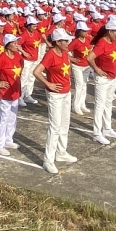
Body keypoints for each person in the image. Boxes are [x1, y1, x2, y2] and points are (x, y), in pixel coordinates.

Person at [33, 28, 78, 174]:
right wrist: (48, 84)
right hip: (55, 95)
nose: (67, 42)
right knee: (55, 126)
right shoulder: (50, 54)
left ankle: (61, 152)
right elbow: (36, 71)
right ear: (57, 42)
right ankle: (48, 160)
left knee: (65, 124)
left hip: (66, 93)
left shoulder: (65, 52)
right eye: (65, 40)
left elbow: (67, 66)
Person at [86, 16, 116, 145]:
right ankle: (97, 133)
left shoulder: (113, 42)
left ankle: (107, 128)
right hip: (103, 79)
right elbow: (89, 57)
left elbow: (115, 55)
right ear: (110, 31)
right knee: (100, 105)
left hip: (112, 77)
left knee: (108, 103)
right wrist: (97, 69)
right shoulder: (102, 43)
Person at [0, 33, 24, 156]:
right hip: (5, 94)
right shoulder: (2, 58)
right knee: (3, 119)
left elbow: (21, 66)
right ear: (7, 46)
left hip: (16, 92)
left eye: (16, 42)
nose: (16, 45)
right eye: (14, 43)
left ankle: (8, 139)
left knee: (12, 118)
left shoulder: (18, 56)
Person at [68, 21, 91, 115]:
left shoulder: (88, 39)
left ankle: (82, 104)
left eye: (86, 31)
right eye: (84, 31)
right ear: (79, 31)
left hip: (86, 66)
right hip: (77, 66)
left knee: (84, 85)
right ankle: (75, 106)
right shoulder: (75, 42)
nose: (86, 32)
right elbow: (65, 50)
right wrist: (71, 58)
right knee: (79, 85)